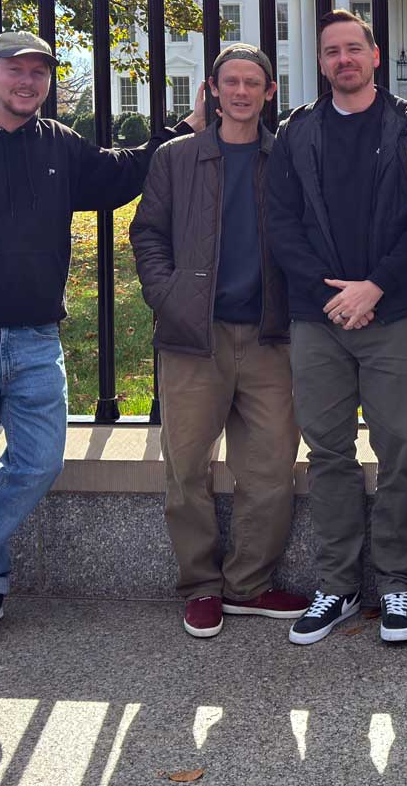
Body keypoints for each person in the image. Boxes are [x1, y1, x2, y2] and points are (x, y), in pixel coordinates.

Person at [0, 30, 203, 649]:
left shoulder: (55, 144)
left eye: (39, 72)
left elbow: (116, 178)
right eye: (15, 70)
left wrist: (179, 129)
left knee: (39, 461)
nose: (27, 81)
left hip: (35, 339)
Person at [267, 9, 407, 647]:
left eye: (353, 48)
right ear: (321, 63)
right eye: (331, 52)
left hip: (393, 311)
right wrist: (329, 294)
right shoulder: (298, 133)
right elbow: (281, 223)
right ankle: (336, 584)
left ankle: (397, 582)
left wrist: (376, 287)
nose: (343, 59)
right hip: (319, 318)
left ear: (374, 53)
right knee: (328, 453)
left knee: (400, 450)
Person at [130, 43, 310, 639]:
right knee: (186, 466)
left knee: (271, 466)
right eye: (229, 82)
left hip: (268, 336)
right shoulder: (176, 158)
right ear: (211, 89)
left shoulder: (284, 155)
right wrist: (171, 295)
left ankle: (249, 584)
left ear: (269, 93)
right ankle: (200, 586)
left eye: (251, 83)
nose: (240, 92)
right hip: (192, 338)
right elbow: (147, 233)